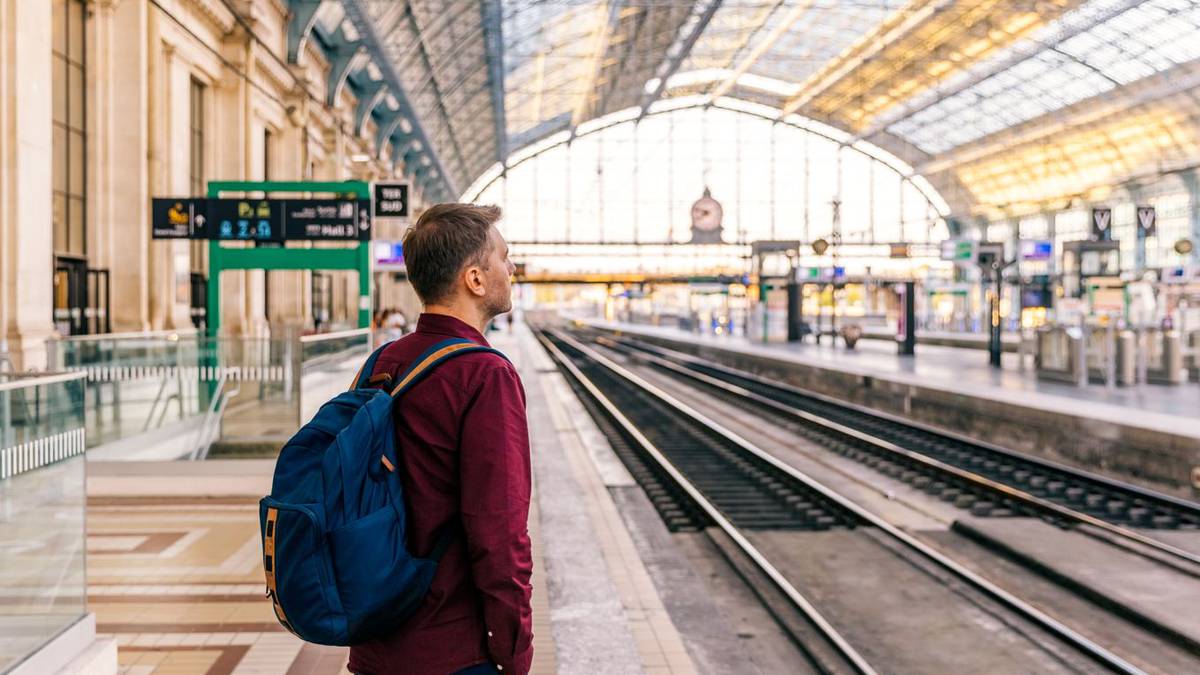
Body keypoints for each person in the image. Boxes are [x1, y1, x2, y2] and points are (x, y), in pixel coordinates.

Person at [349, 204, 532, 675]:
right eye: (504, 258)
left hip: (376, 639)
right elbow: (499, 533)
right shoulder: (486, 375)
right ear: (475, 278)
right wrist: (514, 650)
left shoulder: (381, 363)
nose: (511, 270)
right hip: (454, 649)